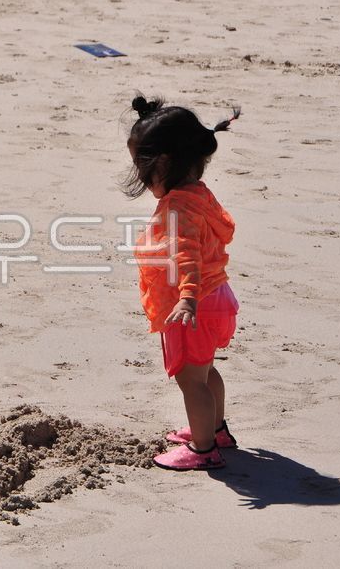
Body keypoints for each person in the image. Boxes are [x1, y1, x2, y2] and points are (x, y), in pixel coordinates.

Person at [124, 94, 241, 470]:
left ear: (166, 163)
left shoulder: (177, 209)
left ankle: (204, 450)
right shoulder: (199, 195)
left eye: (144, 170)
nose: (142, 180)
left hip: (194, 304)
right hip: (217, 294)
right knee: (206, 372)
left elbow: (187, 254)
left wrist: (187, 298)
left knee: (191, 382)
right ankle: (216, 429)